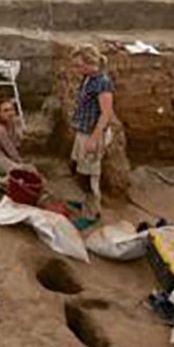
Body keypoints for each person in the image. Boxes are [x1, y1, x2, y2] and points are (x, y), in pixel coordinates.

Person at [68, 44, 122, 219]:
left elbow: (106, 114)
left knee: (91, 174)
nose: (76, 69)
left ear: (90, 62)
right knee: (81, 170)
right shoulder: (88, 78)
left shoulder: (102, 83)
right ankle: (86, 203)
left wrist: (94, 138)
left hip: (93, 134)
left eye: (79, 65)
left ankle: (93, 213)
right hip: (84, 131)